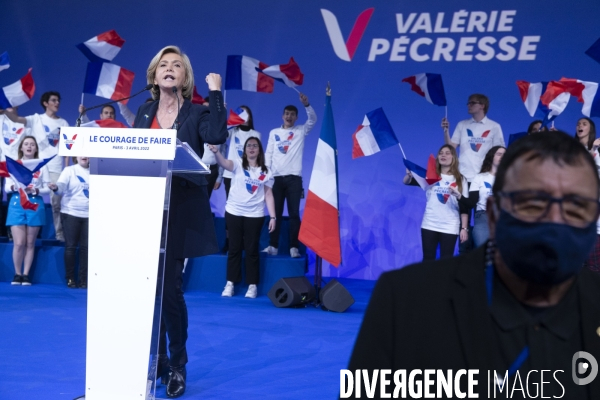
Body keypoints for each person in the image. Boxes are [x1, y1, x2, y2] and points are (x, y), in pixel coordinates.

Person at [345, 131, 600, 398]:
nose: (556, 221)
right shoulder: (404, 298)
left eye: (576, 206)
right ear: (494, 211)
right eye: (534, 202)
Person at [132, 45, 227, 398]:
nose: (169, 69)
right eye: (163, 65)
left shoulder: (198, 113)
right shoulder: (143, 112)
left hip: (180, 210)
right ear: (154, 75)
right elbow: (133, 154)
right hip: (145, 209)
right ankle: (153, 359)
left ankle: (176, 364)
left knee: (169, 289)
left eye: (176, 66)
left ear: (185, 77)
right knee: (148, 289)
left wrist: (216, 92)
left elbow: (217, 135)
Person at [209, 137, 275, 298]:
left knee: (252, 250)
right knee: (234, 249)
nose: (252, 148)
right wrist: (217, 153)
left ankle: (252, 285)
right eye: (249, 146)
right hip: (234, 212)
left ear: (259, 150)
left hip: (255, 214)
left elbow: (268, 194)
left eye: (255, 146)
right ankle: (230, 283)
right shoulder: (237, 164)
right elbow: (224, 163)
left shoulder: (266, 171)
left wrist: (273, 217)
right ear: (245, 150)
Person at [0, 92, 69, 241]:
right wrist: (5, 110)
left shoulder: (63, 123)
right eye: (54, 100)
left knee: (56, 203)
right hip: (36, 167)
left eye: (58, 100)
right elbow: (17, 119)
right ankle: (24, 233)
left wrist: (66, 168)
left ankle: (59, 235)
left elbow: (67, 147)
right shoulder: (36, 119)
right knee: (25, 198)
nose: (57, 103)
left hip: (56, 167)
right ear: (45, 103)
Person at [263, 93, 316, 258]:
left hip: (294, 178)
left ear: (296, 117)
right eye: (287, 114)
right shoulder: (274, 133)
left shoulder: (300, 131)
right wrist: (265, 175)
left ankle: (294, 247)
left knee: (294, 214)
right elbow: (268, 153)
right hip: (276, 178)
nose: (289, 116)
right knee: (275, 213)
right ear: (282, 116)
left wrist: (307, 104)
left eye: (292, 114)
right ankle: (273, 246)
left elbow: (313, 120)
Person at [404, 145, 469, 260]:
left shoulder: (461, 179)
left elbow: (464, 206)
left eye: (447, 153)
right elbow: (407, 182)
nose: (443, 155)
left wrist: (464, 228)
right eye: (441, 153)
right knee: (428, 259)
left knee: (446, 261)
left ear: (453, 157)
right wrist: (409, 175)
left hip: (450, 225)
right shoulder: (430, 176)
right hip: (430, 224)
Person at [4, 136, 51, 286]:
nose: (29, 146)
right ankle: (17, 274)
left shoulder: (42, 166)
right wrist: (15, 188)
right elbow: (6, 187)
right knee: (19, 243)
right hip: (17, 203)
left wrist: (36, 190)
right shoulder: (13, 165)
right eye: (26, 144)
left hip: (35, 204)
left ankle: (26, 275)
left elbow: (47, 188)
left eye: (32, 144)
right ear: (21, 148)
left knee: (30, 243)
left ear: (36, 148)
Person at [220, 105, 260, 252]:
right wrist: (222, 114)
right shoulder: (233, 131)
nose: (243, 117)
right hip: (230, 175)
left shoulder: (256, 134)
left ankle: (243, 241)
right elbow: (221, 134)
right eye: (240, 114)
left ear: (250, 117)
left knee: (246, 209)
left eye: (245, 114)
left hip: (248, 178)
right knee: (230, 210)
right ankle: (229, 241)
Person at [49, 157, 89, 289]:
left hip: (89, 215)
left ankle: (84, 280)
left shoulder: (96, 172)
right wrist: (55, 188)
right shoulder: (69, 170)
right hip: (70, 213)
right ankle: (71, 278)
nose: (85, 156)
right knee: (71, 247)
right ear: (75, 156)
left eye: (88, 153)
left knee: (86, 249)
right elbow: (60, 188)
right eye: (81, 153)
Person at [464, 146, 506, 248]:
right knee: (483, 256)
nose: (502, 156)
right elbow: (471, 202)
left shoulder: (510, 178)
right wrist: (458, 195)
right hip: (483, 219)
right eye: (499, 154)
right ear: (491, 157)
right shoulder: (479, 177)